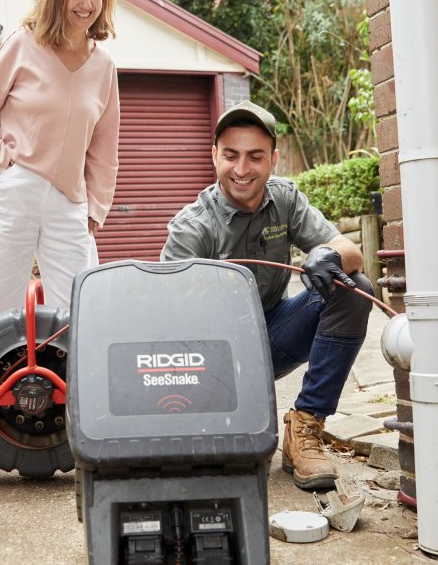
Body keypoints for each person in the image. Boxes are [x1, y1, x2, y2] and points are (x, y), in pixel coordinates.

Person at [160, 99, 374, 490]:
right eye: (231, 156)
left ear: (273, 159)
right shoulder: (192, 229)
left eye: (255, 156)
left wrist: (328, 255)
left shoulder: (285, 199)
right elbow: (167, 328)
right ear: (214, 156)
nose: (242, 170)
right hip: (211, 362)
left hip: (273, 339)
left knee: (354, 287)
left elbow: (353, 253)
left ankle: (305, 428)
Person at [0, 0, 120, 321]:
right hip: (12, 190)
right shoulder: (22, 44)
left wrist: (96, 206)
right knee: (0, 308)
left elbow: (104, 146)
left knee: (78, 309)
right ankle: (1, 379)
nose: (85, 4)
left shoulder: (104, 66)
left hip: (70, 202)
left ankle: (66, 381)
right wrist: (0, 171)